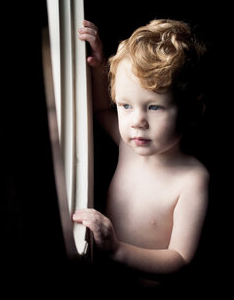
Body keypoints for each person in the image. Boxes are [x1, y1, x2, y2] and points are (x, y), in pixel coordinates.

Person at [73, 19, 209, 289]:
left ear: (188, 109)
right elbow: (101, 110)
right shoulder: (131, 145)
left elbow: (179, 258)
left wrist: (117, 249)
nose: (137, 121)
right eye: (125, 105)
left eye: (154, 107)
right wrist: (100, 64)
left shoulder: (192, 179)